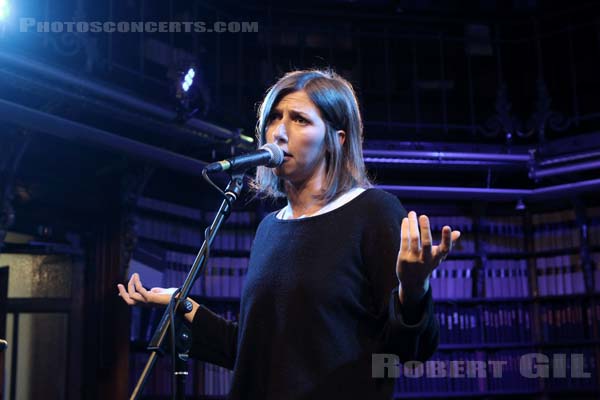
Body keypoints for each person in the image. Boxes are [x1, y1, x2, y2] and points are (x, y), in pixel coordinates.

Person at [118, 69, 461, 399]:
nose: (279, 133)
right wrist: (184, 304)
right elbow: (254, 352)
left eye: (299, 119)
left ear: (335, 141)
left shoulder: (373, 212)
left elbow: (410, 352)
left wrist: (414, 289)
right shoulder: (271, 226)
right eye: (274, 118)